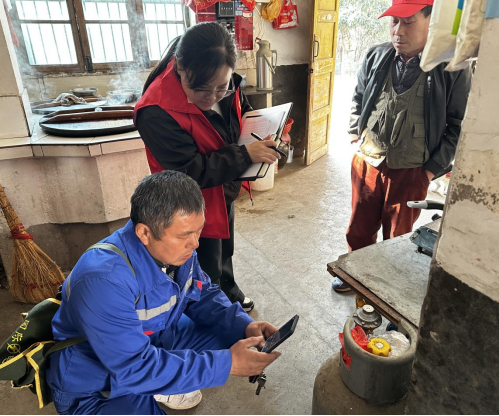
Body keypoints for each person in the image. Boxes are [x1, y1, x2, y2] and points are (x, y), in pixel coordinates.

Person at [46, 171, 281, 414]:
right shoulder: (103, 280)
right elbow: (135, 368)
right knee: (167, 374)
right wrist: (226, 364)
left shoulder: (178, 251)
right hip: (98, 383)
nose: (195, 243)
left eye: (198, 230)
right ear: (144, 233)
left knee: (233, 335)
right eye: (185, 235)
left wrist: (244, 325)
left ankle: (164, 379)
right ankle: (160, 380)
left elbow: (202, 294)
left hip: (154, 339)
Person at [134, 22, 281, 310]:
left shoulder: (226, 81)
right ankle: (212, 314)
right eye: (201, 89)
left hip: (223, 184)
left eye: (221, 88)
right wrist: (245, 156)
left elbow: (241, 111)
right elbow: (190, 170)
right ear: (180, 68)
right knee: (202, 264)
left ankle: (230, 292)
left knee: (225, 248)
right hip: (189, 201)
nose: (212, 97)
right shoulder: (155, 110)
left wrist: (266, 127)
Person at [332, 0, 472, 292]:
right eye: (394, 21)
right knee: (359, 225)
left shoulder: (452, 67)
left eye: (408, 22)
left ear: (431, 22)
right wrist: (355, 133)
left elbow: (458, 125)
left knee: (397, 234)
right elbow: (359, 98)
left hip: (412, 169)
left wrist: (431, 170)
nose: (398, 31)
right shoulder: (376, 55)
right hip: (367, 161)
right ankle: (355, 273)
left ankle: (387, 285)